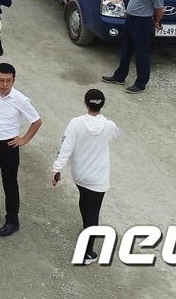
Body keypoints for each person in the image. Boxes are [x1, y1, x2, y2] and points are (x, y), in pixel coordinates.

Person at [0, 63, 42, 237]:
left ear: (13, 80)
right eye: (1, 80)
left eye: (8, 81)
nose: (4, 84)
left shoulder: (20, 99)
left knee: (10, 183)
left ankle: (12, 220)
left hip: (8, 146)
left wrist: (24, 139)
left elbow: (36, 121)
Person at [52, 88, 120, 261]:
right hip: (98, 179)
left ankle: (85, 228)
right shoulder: (109, 126)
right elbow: (114, 136)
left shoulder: (75, 123)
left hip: (80, 175)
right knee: (93, 214)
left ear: (85, 103)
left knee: (84, 201)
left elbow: (65, 147)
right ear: (102, 105)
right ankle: (87, 252)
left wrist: (57, 169)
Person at [101, 0, 164, 94]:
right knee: (125, 49)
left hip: (142, 23)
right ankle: (119, 76)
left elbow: (159, 9)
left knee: (142, 54)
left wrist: (156, 21)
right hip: (130, 20)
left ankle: (141, 84)